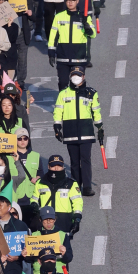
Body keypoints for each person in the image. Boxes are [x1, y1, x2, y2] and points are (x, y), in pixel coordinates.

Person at [53, 67, 103, 196]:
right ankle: (76, 185)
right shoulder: (63, 94)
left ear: (83, 77)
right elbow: (58, 111)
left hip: (86, 130)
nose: (76, 77)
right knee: (74, 161)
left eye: (79, 75)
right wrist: (57, 127)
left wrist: (100, 127)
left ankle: (87, 186)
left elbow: (96, 111)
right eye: (74, 75)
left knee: (85, 159)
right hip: (70, 132)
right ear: (70, 77)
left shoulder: (91, 93)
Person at [47, 0, 96, 91]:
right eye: (68, 0)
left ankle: (77, 104)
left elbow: (93, 34)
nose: (70, 2)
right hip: (63, 57)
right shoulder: (59, 16)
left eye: (72, 0)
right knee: (63, 83)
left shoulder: (84, 17)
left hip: (79, 58)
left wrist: (88, 29)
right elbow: (53, 36)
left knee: (77, 84)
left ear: (77, 1)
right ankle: (63, 104)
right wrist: (51, 53)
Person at [34, 155, 83, 236]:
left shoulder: (71, 183)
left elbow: (77, 202)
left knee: (63, 248)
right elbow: (34, 199)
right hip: (45, 222)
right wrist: (35, 208)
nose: (56, 168)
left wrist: (77, 219)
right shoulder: (40, 182)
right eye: (53, 166)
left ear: (63, 167)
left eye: (59, 166)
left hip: (64, 222)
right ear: (48, 166)